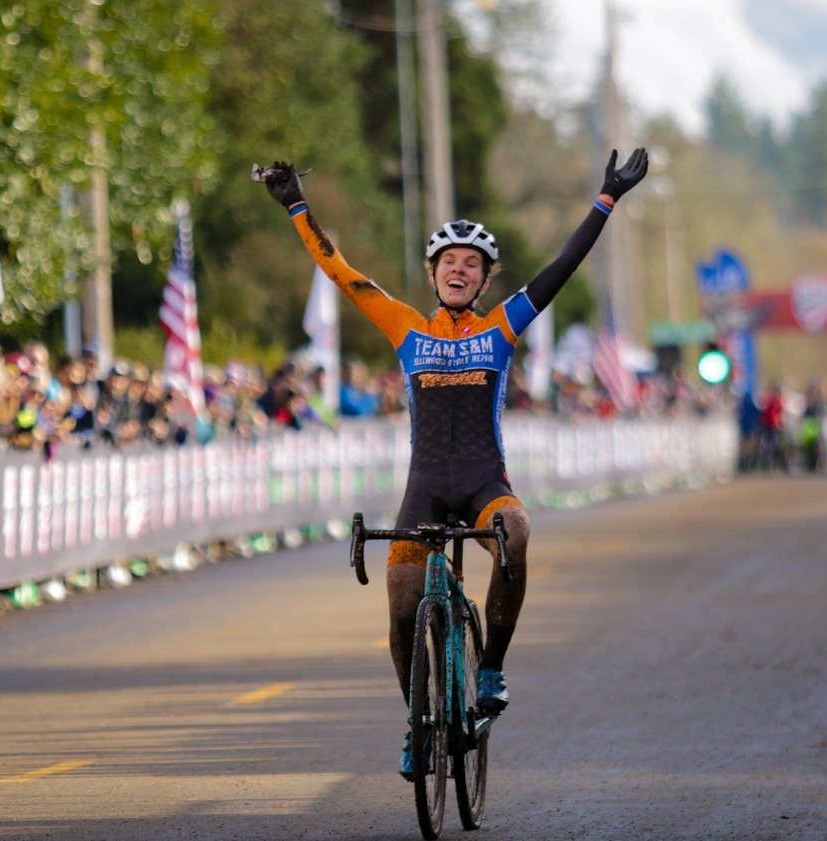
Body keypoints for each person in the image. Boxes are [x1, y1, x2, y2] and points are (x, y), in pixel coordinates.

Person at [261, 148, 648, 778]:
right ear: (434, 272)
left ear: (485, 279)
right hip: (423, 492)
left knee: (516, 533)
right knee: (399, 611)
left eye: (472, 263)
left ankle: (490, 667)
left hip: (482, 485)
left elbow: (560, 269)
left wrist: (606, 198)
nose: (460, 270)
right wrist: (297, 206)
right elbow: (342, 273)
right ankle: (418, 722)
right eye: (450, 262)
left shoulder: (501, 327)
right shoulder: (405, 327)